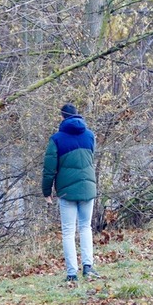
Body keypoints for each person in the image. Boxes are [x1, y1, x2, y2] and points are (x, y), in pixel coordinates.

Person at [42, 103, 98, 283]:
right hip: (88, 188)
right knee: (85, 227)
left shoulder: (57, 139)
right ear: (77, 115)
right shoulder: (90, 136)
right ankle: (88, 267)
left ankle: (71, 273)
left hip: (66, 191)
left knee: (68, 231)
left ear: (62, 117)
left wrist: (46, 190)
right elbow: (90, 159)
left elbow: (49, 168)